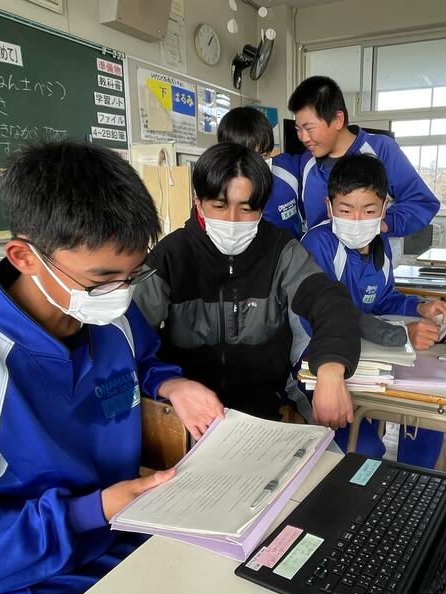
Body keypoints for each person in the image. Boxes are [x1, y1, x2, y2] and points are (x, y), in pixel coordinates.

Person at [0, 141, 224, 594]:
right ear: (24, 257)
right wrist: (91, 511)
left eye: (132, 275)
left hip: (124, 531)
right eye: (101, 279)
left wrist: (170, 383)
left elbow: (143, 360)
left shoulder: (112, 317)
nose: (120, 293)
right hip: (27, 573)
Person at [134, 142, 360, 427]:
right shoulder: (170, 256)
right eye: (219, 206)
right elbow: (130, 335)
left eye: (246, 209)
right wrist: (167, 384)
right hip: (185, 412)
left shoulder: (281, 250)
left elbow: (328, 301)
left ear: (262, 207)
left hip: (263, 409)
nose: (231, 220)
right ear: (198, 201)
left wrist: (331, 368)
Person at [301, 153, 446, 468]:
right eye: (346, 210)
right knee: (365, 450)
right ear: (330, 207)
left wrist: (420, 306)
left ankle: (413, 481)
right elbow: (330, 315)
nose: (357, 220)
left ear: (385, 208)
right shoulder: (317, 244)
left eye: (369, 210)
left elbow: (384, 299)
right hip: (317, 363)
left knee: (428, 419)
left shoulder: (380, 245)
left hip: (370, 357)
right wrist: (401, 334)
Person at [288, 75, 440, 248]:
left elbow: (422, 202)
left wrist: (386, 223)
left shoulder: (382, 149)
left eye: (309, 128)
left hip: (373, 260)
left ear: (338, 120)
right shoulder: (307, 161)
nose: (303, 137)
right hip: (322, 261)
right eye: (298, 129)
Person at [217, 106, 304, 238]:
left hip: (293, 248)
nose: (257, 165)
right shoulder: (217, 192)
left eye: (263, 156)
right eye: (248, 158)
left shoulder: (287, 168)